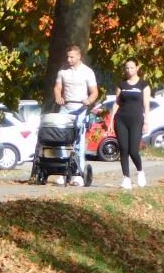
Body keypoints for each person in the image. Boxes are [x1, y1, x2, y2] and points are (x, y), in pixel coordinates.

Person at [52, 44, 99, 185]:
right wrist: (58, 96)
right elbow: (57, 87)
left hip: (80, 109)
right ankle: (63, 171)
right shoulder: (63, 71)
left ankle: (78, 174)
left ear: (79, 56)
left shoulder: (87, 72)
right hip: (65, 108)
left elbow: (94, 92)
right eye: (67, 57)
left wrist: (89, 100)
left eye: (71, 57)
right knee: (60, 139)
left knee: (79, 141)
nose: (69, 60)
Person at [108, 58, 150, 189]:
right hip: (121, 120)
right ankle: (126, 178)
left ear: (137, 68)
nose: (129, 70)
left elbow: (146, 105)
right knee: (123, 149)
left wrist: (146, 122)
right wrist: (111, 120)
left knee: (133, 150)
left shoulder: (143, 85)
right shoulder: (121, 84)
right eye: (126, 68)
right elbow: (116, 103)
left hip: (136, 120)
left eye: (131, 67)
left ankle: (140, 171)